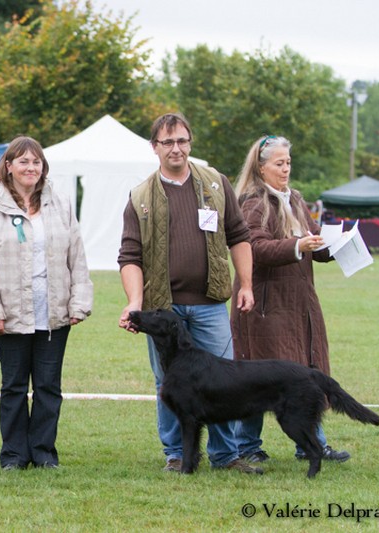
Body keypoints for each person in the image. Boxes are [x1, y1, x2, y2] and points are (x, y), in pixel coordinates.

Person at [117, 113, 260, 474]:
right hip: (163, 309)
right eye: (168, 142)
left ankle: (226, 457)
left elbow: (239, 236)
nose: (176, 148)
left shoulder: (215, 183)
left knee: (223, 382)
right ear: (155, 148)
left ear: (190, 143)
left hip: (211, 304)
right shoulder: (140, 196)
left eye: (182, 141)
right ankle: (177, 455)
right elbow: (129, 256)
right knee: (168, 383)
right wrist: (135, 303)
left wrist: (245, 284)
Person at [0, 136, 93, 470]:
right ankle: (15, 455)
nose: (31, 168)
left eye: (36, 162)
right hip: (8, 314)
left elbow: (76, 255)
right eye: (23, 161)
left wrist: (80, 301)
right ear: (8, 166)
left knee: (49, 387)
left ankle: (44, 452)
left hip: (54, 312)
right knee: (14, 387)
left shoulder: (59, 203)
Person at [230, 135, 350, 464]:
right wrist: (297, 247)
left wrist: (335, 245)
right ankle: (247, 446)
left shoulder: (294, 198)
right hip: (265, 307)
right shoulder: (254, 201)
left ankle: (311, 444)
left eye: (288, 163)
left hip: (299, 304)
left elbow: (312, 240)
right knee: (259, 376)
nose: (286, 169)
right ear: (261, 167)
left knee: (304, 373)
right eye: (279, 164)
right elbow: (252, 248)